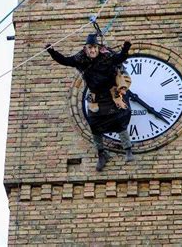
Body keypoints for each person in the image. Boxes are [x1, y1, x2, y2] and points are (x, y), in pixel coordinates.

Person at [46, 33, 135, 171]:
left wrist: (126, 47)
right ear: (85, 48)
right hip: (96, 98)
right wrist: (52, 51)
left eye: (94, 47)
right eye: (90, 48)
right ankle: (102, 154)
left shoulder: (107, 56)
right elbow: (65, 60)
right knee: (95, 125)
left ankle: (128, 149)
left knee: (119, 119)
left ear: (98, 48)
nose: (92, 50)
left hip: (112, 94)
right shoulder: (80, 59)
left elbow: (120, 57)